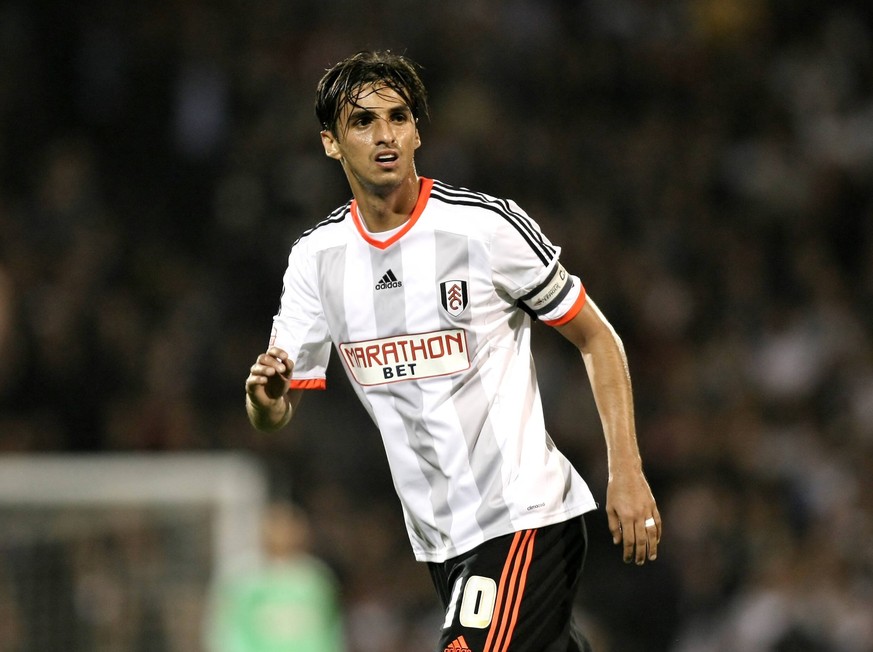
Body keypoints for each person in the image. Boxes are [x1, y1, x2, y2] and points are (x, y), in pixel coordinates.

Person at [245, 50, 661, 652]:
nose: (384, 134)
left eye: (398, 116)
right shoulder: (317, 259)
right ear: (331, 143)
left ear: (418, 130)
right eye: (362, 122)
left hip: (524, 517)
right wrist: (265, 398)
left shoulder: (483, 229)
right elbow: (274, 414)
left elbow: (597, 336)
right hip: (441, 543)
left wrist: (626, 470)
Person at [204, 501, 345, 652]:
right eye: (276, 526)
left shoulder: (315, 580)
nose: (283, 533)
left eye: (289, 527)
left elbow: (332, 631)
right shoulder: (244, 578)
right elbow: (226, 630)